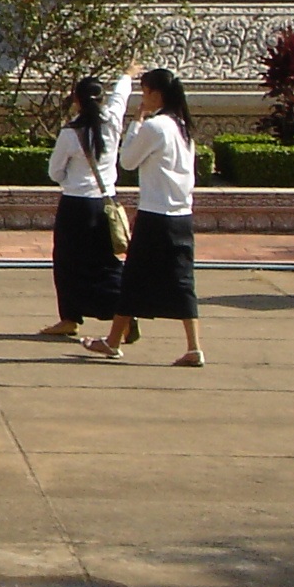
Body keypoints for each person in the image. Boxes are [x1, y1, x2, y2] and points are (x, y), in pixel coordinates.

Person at [91, 65, 204, 365]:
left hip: (156, 215)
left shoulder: (156, 127)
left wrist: (137, 123)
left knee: (134, 278)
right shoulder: (183, 127)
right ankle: (193, 346)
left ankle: (113, 341)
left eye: (145, 91)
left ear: (156, 93)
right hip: (181, 214)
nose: (143, 98)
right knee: (182, 281)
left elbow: (127, 161)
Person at [41, 71, 131, 340]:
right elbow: (121, 98)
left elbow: (55, 172)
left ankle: (70, 318)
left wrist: (71, 179)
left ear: (76, 101)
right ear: (101, 100)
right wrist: (127, 75)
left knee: (69, 263)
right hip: (105, 203)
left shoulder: (71, 133)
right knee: (107, 262)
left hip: (76, 207)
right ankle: (124, 312)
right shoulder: (113, 123)